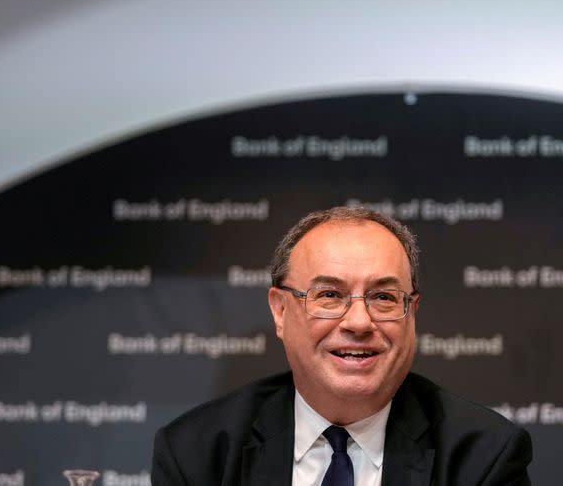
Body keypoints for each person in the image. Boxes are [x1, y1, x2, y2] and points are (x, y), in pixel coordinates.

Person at [152, 206, 532, 485]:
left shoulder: (483, 457)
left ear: (411, 312)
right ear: (281, 311)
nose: (359, 322)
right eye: (330, 295)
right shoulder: (197, 454)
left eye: (383, 297)